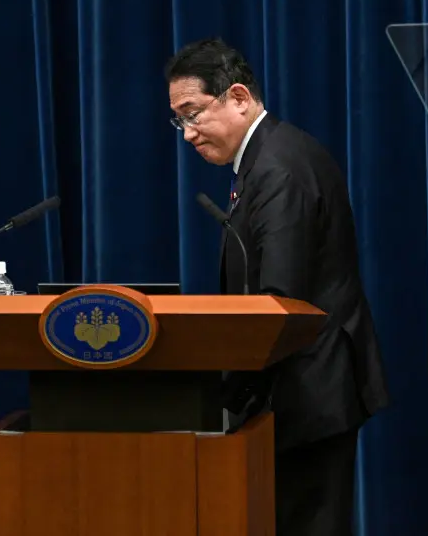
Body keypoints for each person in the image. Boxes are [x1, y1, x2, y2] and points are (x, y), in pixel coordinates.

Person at [165, 37, 390, 536]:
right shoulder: (271, 155)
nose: (187, 133)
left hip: (307, 395)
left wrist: (227, 396)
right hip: (304, 390)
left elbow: (278, 305)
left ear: (239, 97)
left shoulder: (278, 168)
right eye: (179, 120)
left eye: (194, 113)